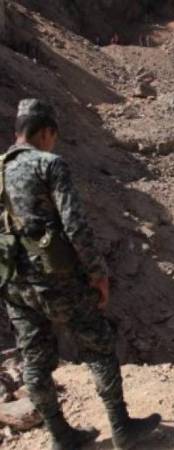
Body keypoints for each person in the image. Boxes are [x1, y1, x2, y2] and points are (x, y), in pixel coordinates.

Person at [1, 99, 161, 450]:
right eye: (52, 137)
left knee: (34, 359)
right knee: (99, 345)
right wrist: (97, 274)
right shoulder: (49, 164)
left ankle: (61, 436)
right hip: (55, 279)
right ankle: (122, 427)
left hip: (14, 282)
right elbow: (75, 226)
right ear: (46, 132)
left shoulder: (0, 169)